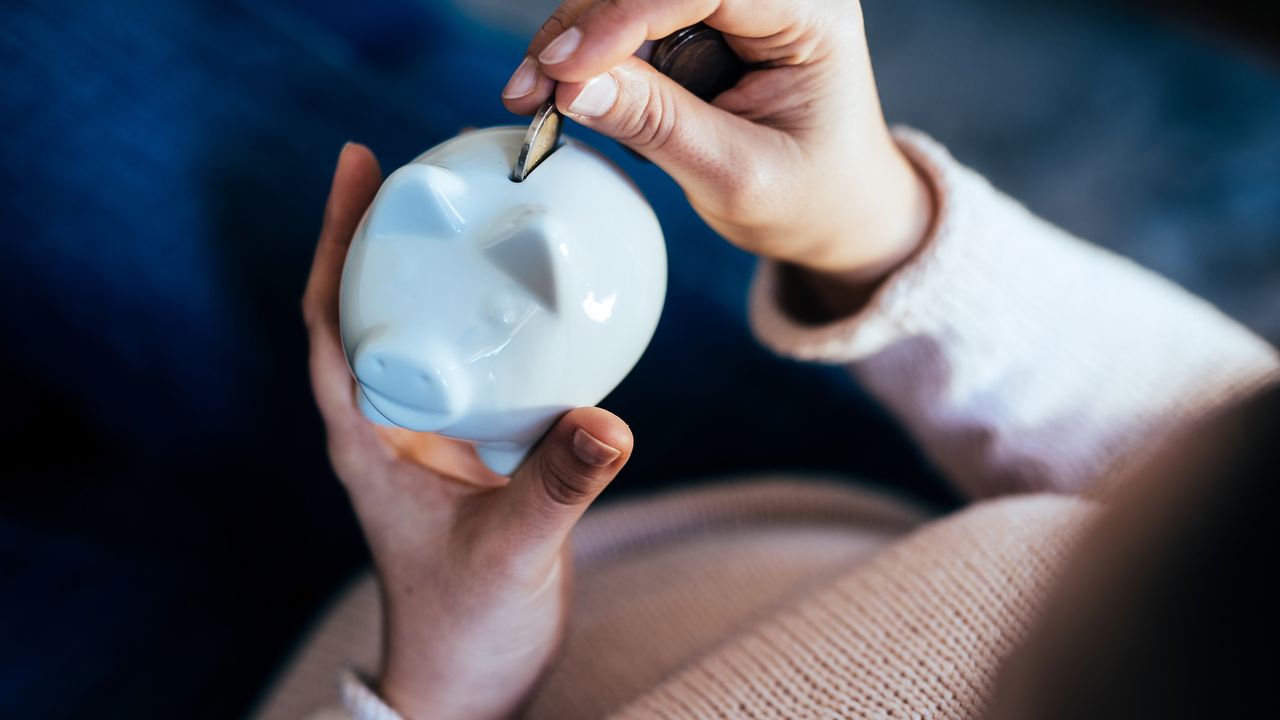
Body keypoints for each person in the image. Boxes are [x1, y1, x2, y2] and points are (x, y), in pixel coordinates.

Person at [264, 0, 1279, 717]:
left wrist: (444, 674)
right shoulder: (1220, 539)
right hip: (783, 504)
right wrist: (867, 224)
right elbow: (1202, 429)